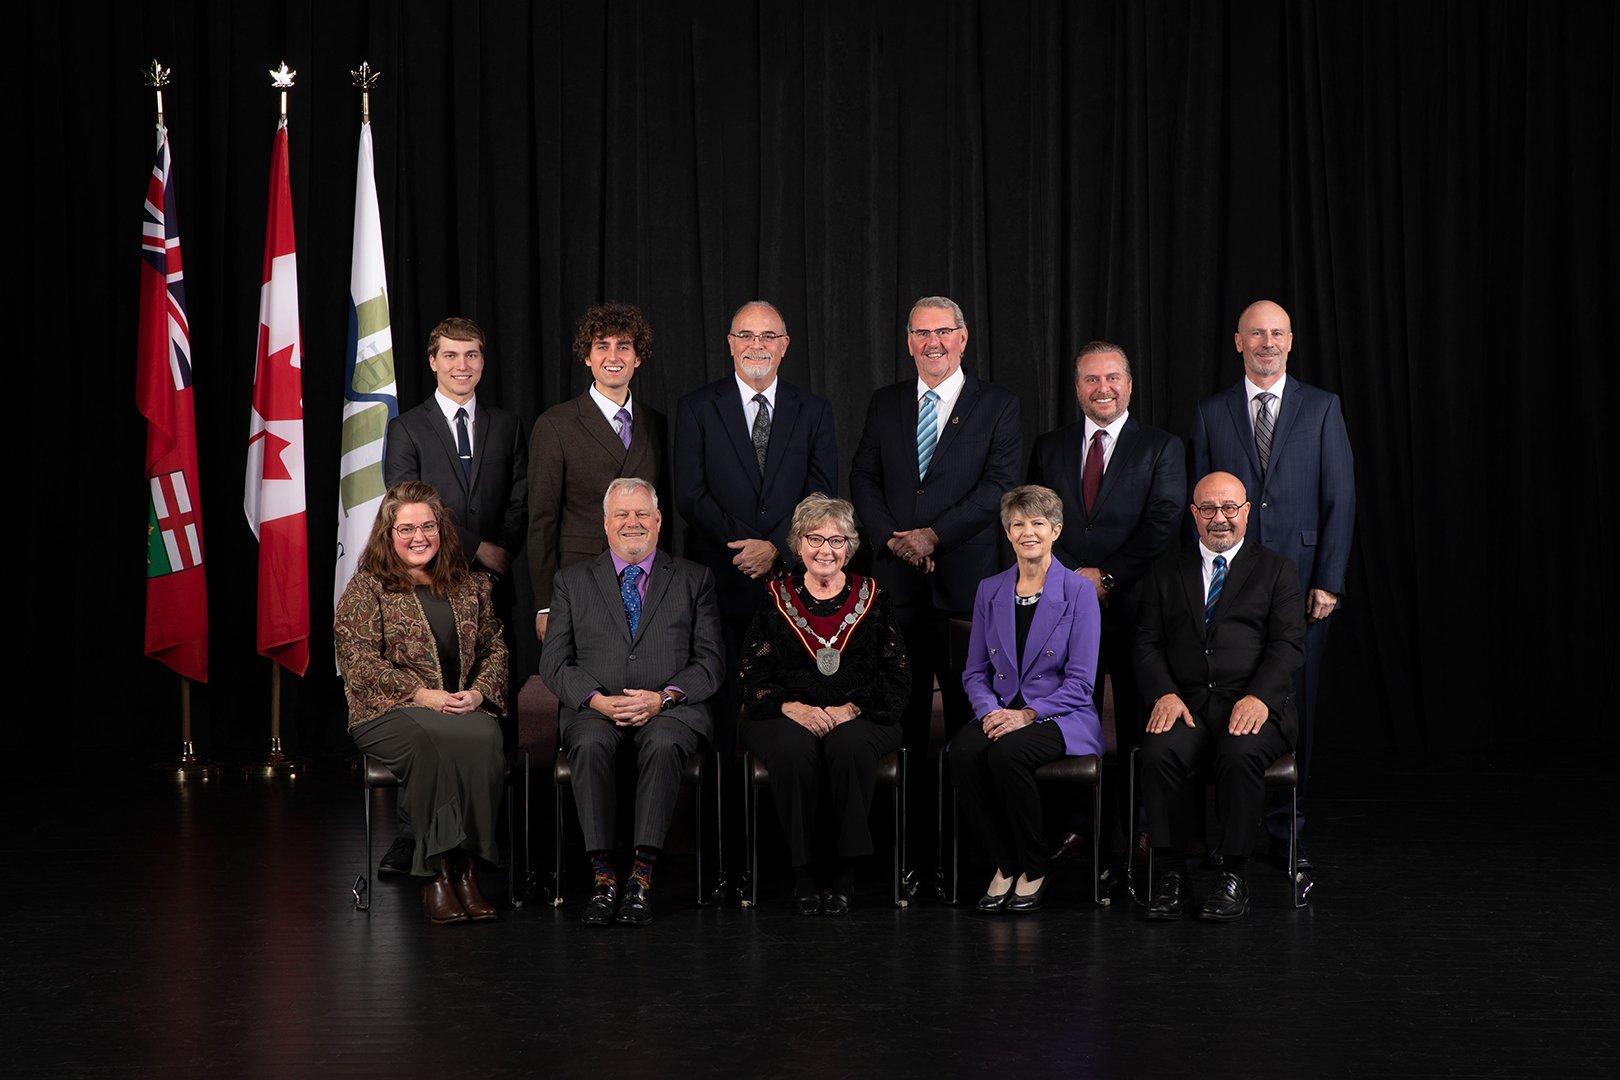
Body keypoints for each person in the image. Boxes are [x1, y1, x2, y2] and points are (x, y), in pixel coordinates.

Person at [849, 295, 1021, 855]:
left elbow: (998, 487)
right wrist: (896, 541)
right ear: (908, 342)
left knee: (973, 719)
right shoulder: (886, 402)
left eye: (943, 332)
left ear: (963, 338)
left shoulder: (997, 405)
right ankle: (909, 847)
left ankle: (972, 848)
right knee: (902, 719)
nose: (933, 343)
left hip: (969, 592)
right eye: (921, 333)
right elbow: (864, 477)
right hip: (898, 589)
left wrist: (934, 536)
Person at [1190, 300, 1354, 868]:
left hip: (1304, 582)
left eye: (1277, 333)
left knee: (1295, 703)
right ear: (1238, 342)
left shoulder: (1322, 408)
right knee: (1227, 699)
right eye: (1256, 333)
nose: (1266, 342)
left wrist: (1329, 580)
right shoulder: (1212, 413)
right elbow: (1200, 502)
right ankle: (1231, 828)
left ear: (1291, 341)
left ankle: (1288, 828)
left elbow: (1340, 498)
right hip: (1229, 585)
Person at [538, 477, 724, 927]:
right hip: (595, 710)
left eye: (642, 513)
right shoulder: (571, 581)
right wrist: (596, 700)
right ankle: (604, 878)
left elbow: (711, 663)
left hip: (670, 711)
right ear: (605, 524)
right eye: (622, 514)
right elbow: (555, 663)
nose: (632, 522)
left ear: (659, 521)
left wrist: (663, 698)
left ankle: (641, 877)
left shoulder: (694, 578)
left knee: (661, 745)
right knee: (589, 745)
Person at [380, 317, 527, 876]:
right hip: (427, 586)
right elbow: (404, 502)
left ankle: (487, 833)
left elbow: (520, 498)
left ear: (482, 362)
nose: (462, 365)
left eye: (472, 356)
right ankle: (410, 835)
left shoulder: (506, 425)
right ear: (433, 361)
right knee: (430, 706)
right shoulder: (409, 429)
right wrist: (475, 549)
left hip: (493, 587)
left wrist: (498, 556)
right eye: (451, 356)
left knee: (487, 699)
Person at [1027, 340, 1183, 859]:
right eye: (1092, 380)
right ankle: (1076, 824)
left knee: (1143, 723)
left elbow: (1164, 523)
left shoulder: (1161, 447)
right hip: (1067, 609)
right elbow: (1037, 519)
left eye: (1113, 377)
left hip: (1140, 609)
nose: (1103, 389)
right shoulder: (1050, 446)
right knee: (1071, 719)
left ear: (1130, 383)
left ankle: (1141, 826)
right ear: (1076, 389)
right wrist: (1077, 576)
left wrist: (1109, 575)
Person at [334, 480, 509, 925]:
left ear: (442, 529)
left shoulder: (472, 585)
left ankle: (467, 871)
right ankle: (435, 872)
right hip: (387, 711)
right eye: (406, 528)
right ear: (388, 534)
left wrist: (478, 692)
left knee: (486, 734)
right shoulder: (367, 588)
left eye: (428, 526)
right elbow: (357, 662)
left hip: (459, 706)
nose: (419, 537)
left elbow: (496, 647)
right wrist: (419, 693)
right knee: (434, 742)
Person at [1134, 472, 1306, 921]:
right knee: (1157, 753)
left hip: (1254, 704)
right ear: (1193, 514)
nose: (1219, 519)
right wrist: (1165, 694)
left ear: (1246, 511)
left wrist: (1259, 699)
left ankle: (1234, 875)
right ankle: (1172, 875)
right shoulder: (1165, 569)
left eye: (1229, 508)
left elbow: (1288, 646)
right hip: (1187, 704)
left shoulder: (1277, 569)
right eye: (1208, 509)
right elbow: (1146, 642)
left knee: (1239, 755)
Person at [738, 494, 910, 915]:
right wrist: (791, 708)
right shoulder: (775, 597)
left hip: (863, 712)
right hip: (786, 713)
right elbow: (752, 674)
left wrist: (849, 710)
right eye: (815, 539)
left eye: (837, 540)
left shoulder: (874, 596)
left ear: (850, 547)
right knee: (793, 751)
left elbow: (897, 676)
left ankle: (846, 874)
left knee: (849, 747)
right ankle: (804, 872)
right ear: (797, 544)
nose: (825, 550)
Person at [951, 485, 1103, 913]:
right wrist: (990, 711)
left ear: (1056, 530)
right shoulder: (990, 590)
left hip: (1061, 715)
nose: (1028, 532)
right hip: (999, 710)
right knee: (963, 751)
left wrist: (1027, 714)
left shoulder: (1078, 591)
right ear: (1007, 533)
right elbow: (974, 671)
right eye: (1018, 524)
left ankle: (1034, 867)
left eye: (1037, 523)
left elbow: (1081, 682)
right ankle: (1004, 862)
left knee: (1007, 756)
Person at [529, 303, 667, 644]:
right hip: (580, 579)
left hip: (643, 577)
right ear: (587, 357)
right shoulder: (555, 424)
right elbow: (542, 521)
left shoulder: (656, 423)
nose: (613, 355)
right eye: (601, 346)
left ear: (638, 357)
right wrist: (546, 604)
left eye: (624, 346)